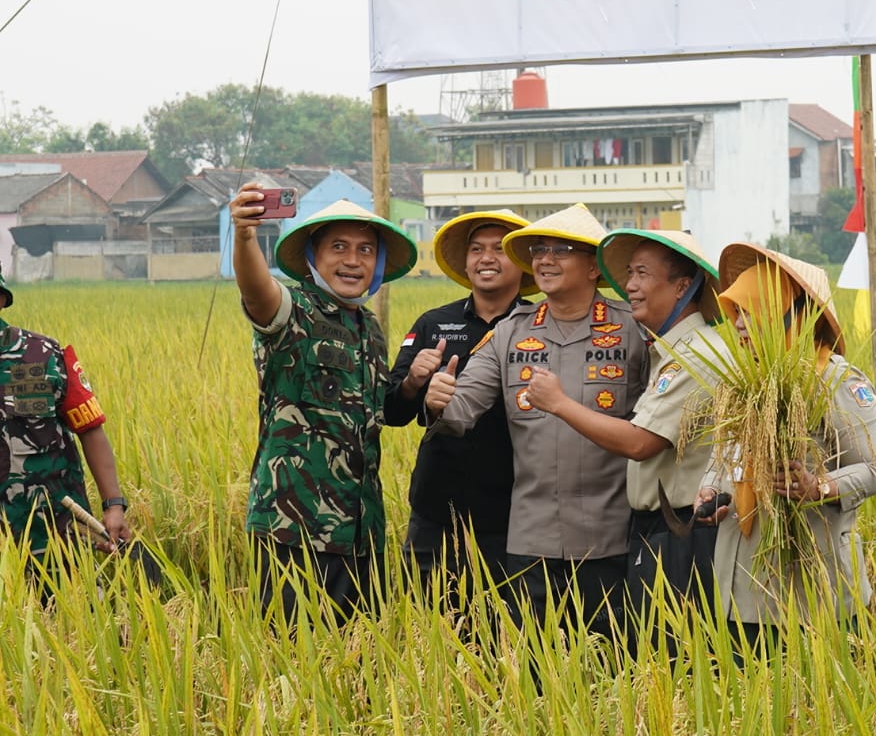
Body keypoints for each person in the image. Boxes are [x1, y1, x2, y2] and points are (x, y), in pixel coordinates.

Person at [425, 204, 648, 638]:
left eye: (561, 250)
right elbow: (460, 408)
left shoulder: (633, 332)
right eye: (539, 250)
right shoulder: (511, 332)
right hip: (530, 542)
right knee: (534, 675)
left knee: (613, 673)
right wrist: (436, 399)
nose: (545, 260)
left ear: (593, 267)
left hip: (611, 539)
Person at [230, 186, 417, 627]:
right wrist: (243, 238)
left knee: (359, 661)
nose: (353, 260)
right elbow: (258, 293)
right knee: (292, 664)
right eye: (339, 247)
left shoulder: (369, 328)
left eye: (366, 250)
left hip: (360, 532)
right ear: (313, 255)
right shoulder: (294, 311)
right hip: (295, 528)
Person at [523, 228, 726, 634]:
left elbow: (639, 443)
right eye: (629, 274)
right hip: (658, 530)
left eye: (643, 275)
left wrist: (560, 403)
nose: (630, 286)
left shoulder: (696, 356)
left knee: (674, 660)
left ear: (683, 286)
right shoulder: (667, 351)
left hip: (683, 532)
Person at [696, 244, 876, 654]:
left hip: (809, 591)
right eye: (736, 313)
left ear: (790, 314)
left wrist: (818, 487)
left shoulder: (834, 381)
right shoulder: (741, 383)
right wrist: (711, 491)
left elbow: (874, 470)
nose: (740, 324)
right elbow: (721, 459)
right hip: (739, 586)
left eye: (751, 311)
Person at [385, 209, 536, 595]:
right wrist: (415, 381)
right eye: (476, 249)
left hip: (514, 509)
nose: (486, 258)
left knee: (508, 633)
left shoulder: (540, 325)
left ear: (521, 262)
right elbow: (391, 410)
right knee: (428, 622)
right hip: (438, 505)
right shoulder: (434, 324)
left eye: (500, 249)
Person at [0, 265, 132, 593]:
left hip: (55, 535)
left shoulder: (42, 355)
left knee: (83, 628)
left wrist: (113, 505)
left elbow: (90, 430)